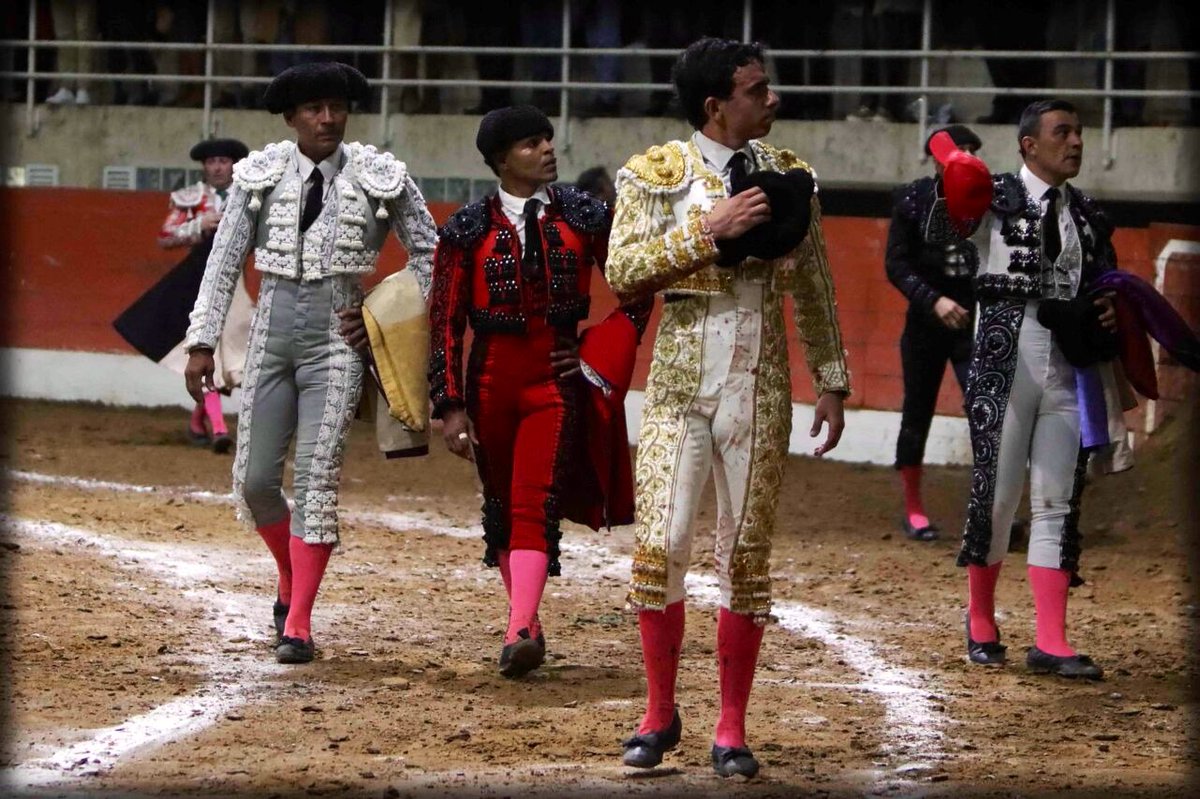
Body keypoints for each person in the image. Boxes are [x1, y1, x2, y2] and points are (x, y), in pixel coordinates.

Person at [606, 38, 851, 778]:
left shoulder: (791, 178)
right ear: (717, 105)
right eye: (757, 89)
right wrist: (708, 230)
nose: (772, 99)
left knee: (744, 554)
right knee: (662, 543)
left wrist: (832, 377)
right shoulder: (655, 175)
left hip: (759, 375)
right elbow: (622, 272)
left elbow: (813, 284)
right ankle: (658, 712)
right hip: (680, 374)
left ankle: (732, 725)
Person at [183, 61, 437, 665]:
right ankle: (289, 575)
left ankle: (297, 623)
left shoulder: (382, 176)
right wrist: (200, 342)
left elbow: (434, 256)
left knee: (316, 482)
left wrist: (377, 310)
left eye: (337, 107)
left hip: (337, 339)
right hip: (271, 332)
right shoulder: (258, 175)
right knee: (254, 482)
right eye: (315, 109)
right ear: (292, 117)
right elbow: (222, 264)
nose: (328, 118)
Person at [427, 106, 651, 678]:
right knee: (501, 501)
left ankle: (521, 625)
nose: (548, 149)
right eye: (532, 143)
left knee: (534, 500)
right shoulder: (465, 230)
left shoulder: (587, 215)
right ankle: (523, 618)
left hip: (554, 378)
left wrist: (593, 356)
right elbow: (446, 322)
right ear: (502, 159)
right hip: (490, 379)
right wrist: (450, 405)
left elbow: (637, 291)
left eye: (548, 139)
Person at [951, 99, 1127, 680]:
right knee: (999, 495)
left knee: (1058, 498)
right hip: (1006, 356)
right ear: (1029, 144)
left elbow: (1109, 285)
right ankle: (981, 619)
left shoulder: (1090, 215)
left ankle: (1051, 639)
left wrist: (1106, 310)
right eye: (1062, 132)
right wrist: (954, 162)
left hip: (1067, 364)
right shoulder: (992, 196)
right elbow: (942, 218)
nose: (1075, 142)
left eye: (1079, 132)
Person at [114, 138, 253, 454]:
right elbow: (166, 237)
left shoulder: (248, 197)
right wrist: (199, 224)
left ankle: (198, 419)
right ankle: (218, 426)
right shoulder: (190, 199)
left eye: (223, 161)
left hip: (236, 286)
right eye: (212, 161)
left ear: (234, 165)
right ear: (204, 166)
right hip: (197, 283)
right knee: (213, 356)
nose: (217, 166)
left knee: (235, 357)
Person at [885, 124, 981, 540]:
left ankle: (989, 507)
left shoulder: (987, 198)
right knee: (917, 412)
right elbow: (897, 265)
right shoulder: (913, 199)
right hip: (927, 323)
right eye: (960, 148)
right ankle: (913, 508)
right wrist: (933, 300)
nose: (968, 155)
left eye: (973, 149)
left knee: (986, 412)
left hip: (972, 323)